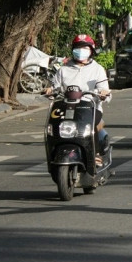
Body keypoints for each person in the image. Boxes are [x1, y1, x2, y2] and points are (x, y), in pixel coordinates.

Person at [46, 34, 111, 164]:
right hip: (65, 107)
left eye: (84, 48)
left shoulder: (97, 69)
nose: (81, 51)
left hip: (89, 107)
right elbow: (55, 87)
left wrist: (103, 93)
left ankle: (95, 154)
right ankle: (54, 153)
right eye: (78, 47)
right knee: (53, 127)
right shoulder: (63, 70)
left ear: (91, 50)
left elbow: (105, 91)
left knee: (90, 127)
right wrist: (50, 90)